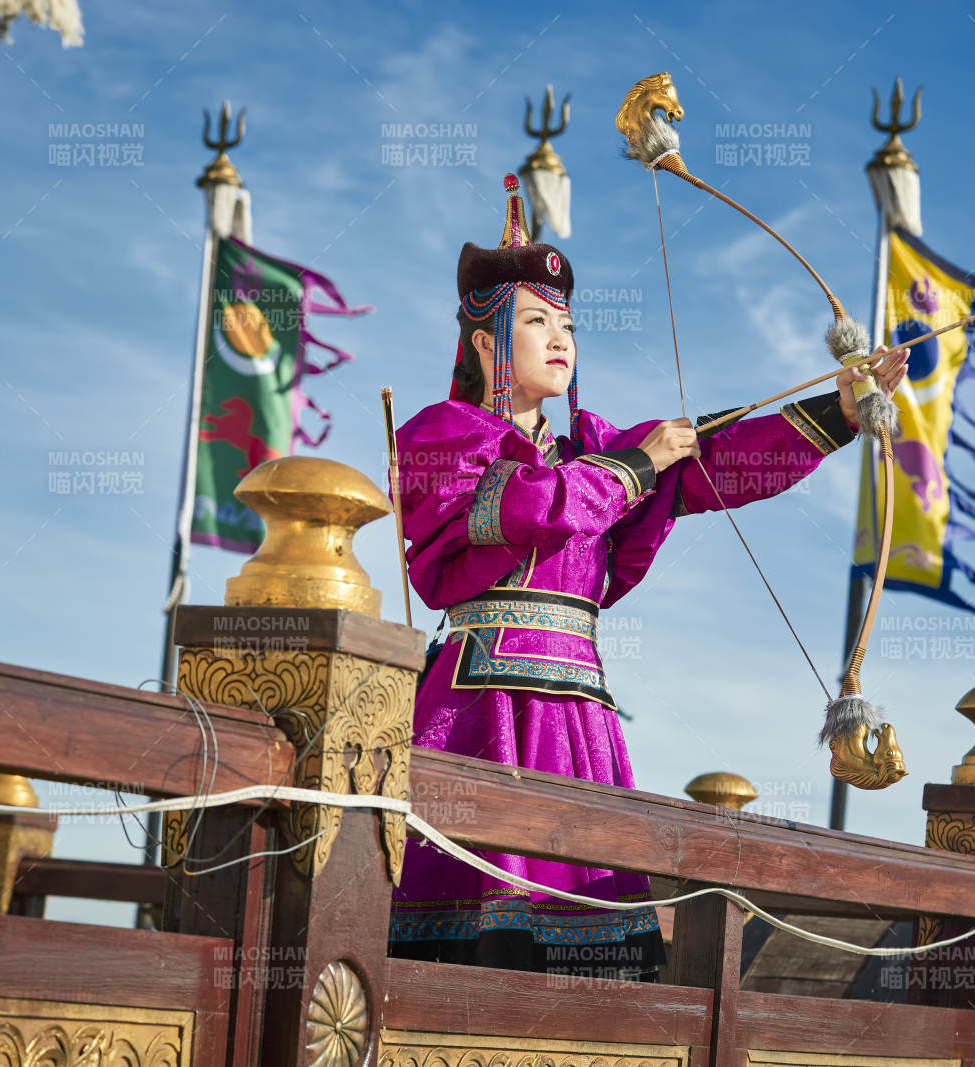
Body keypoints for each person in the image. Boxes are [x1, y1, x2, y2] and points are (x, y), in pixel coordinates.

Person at [387, 174, 907, 979]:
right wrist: (637, 462)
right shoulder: (445, 436)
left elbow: (714, 464)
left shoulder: (591, 449)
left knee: (591, 940)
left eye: (567, 323)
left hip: (580, 719)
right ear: (487, 342)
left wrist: (839, 412)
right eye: (535, 321)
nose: (560, 338)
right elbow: (523, 509)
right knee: (469, 940)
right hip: (480, 709)